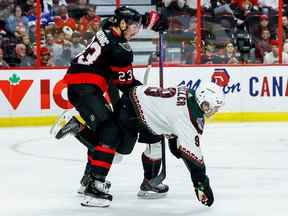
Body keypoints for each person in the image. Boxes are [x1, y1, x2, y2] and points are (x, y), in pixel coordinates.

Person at [51, 6, 168, 208]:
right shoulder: (121, 50)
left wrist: (149, 19)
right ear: (121, 24)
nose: (136, 31)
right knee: (111, 132)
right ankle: (94, 188)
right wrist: (149, 93)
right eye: (133, 27)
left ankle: (86, 170)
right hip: (85, 88)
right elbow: (125, 84)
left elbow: (119, 21)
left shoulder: (106, 27)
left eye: (139, 27)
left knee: (106, 134)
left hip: (82, 84)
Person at [52, 81, 225, 207]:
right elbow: (194, 158)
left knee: (156, 144)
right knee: (117, 152)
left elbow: (170, 124)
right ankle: (77, 128)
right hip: (132, 113)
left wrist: (175, 144)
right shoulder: (188, 119)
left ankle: (149, 184)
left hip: (139, 105)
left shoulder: (188, 93)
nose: (214, 111)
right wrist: (201, 184)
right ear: (204, 100)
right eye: (213, 107)